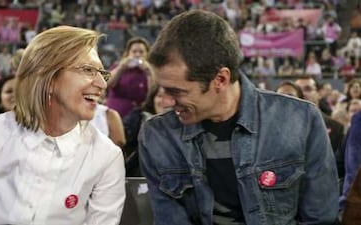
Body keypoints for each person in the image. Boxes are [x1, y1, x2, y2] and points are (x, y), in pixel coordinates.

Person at [138, 10, 339, 225]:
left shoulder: (301, 121)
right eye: (163, 89)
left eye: (177, 91)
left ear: (221, 79)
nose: (166, 101)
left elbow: (320, 219)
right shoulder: (157, 136)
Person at [0, 26, 125, 225]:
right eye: (88, 70)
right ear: (47, 77)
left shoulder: (107, 156)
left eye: (102, 73)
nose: (102, 84)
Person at [105, 37, 154, 118]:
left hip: (137, 116)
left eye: (141, 52)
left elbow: (152, 93)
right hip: (115, 113)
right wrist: (121, 68)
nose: (137, 55)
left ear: (147, 54)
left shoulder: (150, 71)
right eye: (134, 52)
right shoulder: (118, 67)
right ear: (128, 53)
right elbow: (107, 83)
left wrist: (149, 72)